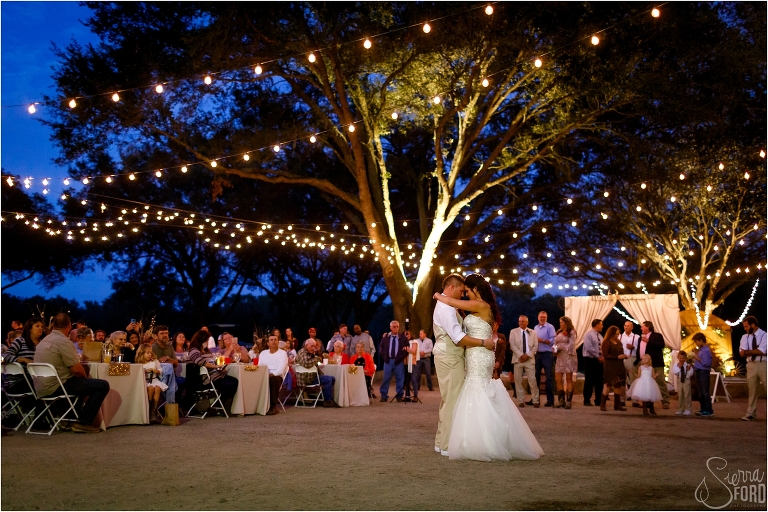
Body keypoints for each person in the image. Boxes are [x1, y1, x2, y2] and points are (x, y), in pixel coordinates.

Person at [433, 273, 544, 461]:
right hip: (476, 353)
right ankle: (456, 440)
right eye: (463, 290)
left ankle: (480, 440)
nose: (465, 294)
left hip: (480, 353)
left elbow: (453, 304)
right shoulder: (480, 307)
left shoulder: (480, 305)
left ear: (476, 289)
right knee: (466, 394)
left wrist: (437, 295)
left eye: (467, 290)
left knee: (473, 393)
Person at [432, 274, 493, 457]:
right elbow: (458, 338)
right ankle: (446, 445)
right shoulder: (447, 308)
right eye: (461, 290)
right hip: (450, 357)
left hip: (450, 357)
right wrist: (483, 343)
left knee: (448, 399)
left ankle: (440, 441)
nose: (463, 294)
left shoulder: (447, 305)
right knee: (452, 401)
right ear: (452, 288)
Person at [32, 313, 109, 433]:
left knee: (78, 384)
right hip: (56, 386)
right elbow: (76, 370)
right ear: (69, 326)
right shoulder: (63, 342)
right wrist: (85, 378)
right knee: (102, 385)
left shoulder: (44, 340)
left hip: (40, 387)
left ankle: (69, 419)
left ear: (53, 325)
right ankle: (83, 422)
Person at [186, 330, 238, 415]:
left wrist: (220, 368)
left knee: (234, 381)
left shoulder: (206, 351)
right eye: (206, 340)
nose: (207, 342)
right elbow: (201, 362)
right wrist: (216, 366)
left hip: (215, 375)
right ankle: (222, 405)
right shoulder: (194, 351)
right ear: (201, 340)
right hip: (207, 379)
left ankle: (222, 404)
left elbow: (212, 362)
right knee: (231, 383)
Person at [4, 318, 44, 395]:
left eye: (41, 326)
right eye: (37, 326)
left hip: (36, 378)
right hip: (18, 382)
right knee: (45, 386)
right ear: (29, 329)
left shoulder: (43, 343)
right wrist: (23, 359)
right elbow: (6, 356)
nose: (40, 328)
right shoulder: (20, 341)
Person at [294, 339, 339, 407]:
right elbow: (307, 364)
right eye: (311, 346)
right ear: (306, 345)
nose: (313, 348)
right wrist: (317, 358)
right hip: (306, 380)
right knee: (328, 379)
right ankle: (327, 401)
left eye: (314, 346)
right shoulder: (302, 352)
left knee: (332, 378)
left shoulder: (310, 353)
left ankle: (323, 397)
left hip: (311, 378)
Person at [739, 316, 766, 421]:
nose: (745, 329)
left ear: (753, 325)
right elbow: (742, 352)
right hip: (751, 365)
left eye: (746, 326)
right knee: (752, 390)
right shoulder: (745, 337)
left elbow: (762, 351)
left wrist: (747, 352)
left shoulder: (764, 335)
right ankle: (750, 413)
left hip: (763, 363)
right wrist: (753, 351)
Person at [509, 315, 539, 408]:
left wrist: (528, 355)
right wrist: (520, 355)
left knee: (532, 380)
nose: (521, 323)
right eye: (520, 321)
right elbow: (512, 345)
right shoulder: (513, 332)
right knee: (518, 380)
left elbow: (535, 346)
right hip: (518, 359)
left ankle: (535, 400)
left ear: (527, 322)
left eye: (523, 321)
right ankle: (521, 400)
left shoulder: (533, 332)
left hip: (529, 359)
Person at [134, 344, 167, 423]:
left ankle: (153, 412)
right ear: (142, 354)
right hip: (145, 381)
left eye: (151, 353)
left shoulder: (154, 362)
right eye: (147, 353)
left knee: (157, 388)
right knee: (151, 388)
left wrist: (156, 371)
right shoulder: (139, 364)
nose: (150, 354)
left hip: (154, 380)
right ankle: (147, 409)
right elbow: (137, 373)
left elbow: (160, 370)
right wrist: (144, 371)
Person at [641, 321, 670, 409]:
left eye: (642, 326)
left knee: (660, 381)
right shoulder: (641, 337)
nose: (641, 328)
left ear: (648, 327)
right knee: (647, 382)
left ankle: (665, 401)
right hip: (645, 364)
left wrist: (648, 341)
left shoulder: (657, 335)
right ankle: (648, 402)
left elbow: (661, 345)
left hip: (656, 362)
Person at [378, 320, 409, 402]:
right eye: (394, 327)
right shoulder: (386, 338)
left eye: (397, 327)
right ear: (390, 327)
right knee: (386, 378)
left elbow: (406, 348)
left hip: (398, 361)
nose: (396, 328)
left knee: (400, 378)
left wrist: (401, 357)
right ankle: (384, 395)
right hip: (388, 361)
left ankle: (399, 396)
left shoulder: (402, 338)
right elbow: (381, 348)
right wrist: (384, 357)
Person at [258, 334, 289, 415]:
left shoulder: (282, 354)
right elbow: (260, 367)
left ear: (278, 342)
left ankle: (273, 406)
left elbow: (280, 370)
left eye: (275, 339)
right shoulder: (263, 353)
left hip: (277, 377)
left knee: (274, 379)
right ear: (268, 343)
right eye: (271, 340)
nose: (274, 341)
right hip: (264, 376)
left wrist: (269, 375)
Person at [600, 326, 627, 411]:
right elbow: (606, 355)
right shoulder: (606, 342)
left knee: (618, 385)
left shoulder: (618, 342)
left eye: (618, 334)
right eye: (615, 334)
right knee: (608, 385)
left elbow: (621, 352)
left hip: (619, 365)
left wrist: (623, 356)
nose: (617, 336)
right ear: (611, 333)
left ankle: (617, 404)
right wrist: (617, 357)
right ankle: (603, 403)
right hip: (610, 366)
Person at [150, 325, 179, 404]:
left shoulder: (170, 347)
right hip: (158, 376)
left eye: (166, 333)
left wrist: (168, 358)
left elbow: (176, 363)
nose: (165, 335)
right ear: (156, 336)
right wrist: (164, 362)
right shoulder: (152, 348)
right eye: (162, 333)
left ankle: (170, 405)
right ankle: (170, 404)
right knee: (169, 367)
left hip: (171, 375)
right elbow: (154, 364)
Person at [533, 311, 556, 407]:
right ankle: (535, 399)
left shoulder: (550, 327)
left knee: (549, 378)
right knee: (535, 377)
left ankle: (550, 400)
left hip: (547, 354)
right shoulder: (535, 327)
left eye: (544, 317)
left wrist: (541, 340)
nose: (542, 319)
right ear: (538, 317)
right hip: (537, 354)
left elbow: (552, 341)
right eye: (541, 317)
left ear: (546, 318)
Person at [554, 317, 577, 409]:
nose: (560, 324)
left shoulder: (572, 332)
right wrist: (554, 349)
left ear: (566, 323)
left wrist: (560, 347)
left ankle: (569, 401)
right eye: (560, 322)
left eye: (562, 322)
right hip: (560, 357)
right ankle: (561, 400)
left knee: (568, 379)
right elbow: (555, 343)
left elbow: (571, 345)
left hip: (568, 357)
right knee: (558, 378)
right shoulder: (559, 332)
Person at [582, 319, 604, 407]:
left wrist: (602, 356)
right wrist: (597, 356)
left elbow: (601, 347)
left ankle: (598, 399)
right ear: (597, 325)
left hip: (599, 360)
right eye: (601, 324)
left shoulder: (600, 336)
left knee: (599, 380)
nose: (602, 326)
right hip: (590, 360)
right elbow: (588, 348)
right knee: (589, 380)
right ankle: (587, 399)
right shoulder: (588, 335)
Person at [691, 333, 714, 417]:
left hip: (703, 372)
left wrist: (696, 357)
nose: (696, 343)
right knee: (700, 392)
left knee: (705, 392)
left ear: (701, 340)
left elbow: (706, 363)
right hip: (698, 371)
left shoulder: (706, 350)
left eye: (696, 341)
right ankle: (703, 409)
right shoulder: (701, 350)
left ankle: (709, 410)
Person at [620, 321, 641, 407]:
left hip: (632, 358)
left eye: (628, 326)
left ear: (632, 327)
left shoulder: (636, 337)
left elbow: (640, 349)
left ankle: (634, 400)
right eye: (625, 325)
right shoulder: (619, 336)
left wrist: (634, 347)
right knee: (622, 380)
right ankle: (622, 400)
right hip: (622, 359)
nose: (626, 327)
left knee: (633, 380)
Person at [672, 350, 693, 416]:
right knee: (680, 395)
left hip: (686, 380)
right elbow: (675, 372)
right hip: (680, 380)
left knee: (687, 394)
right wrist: (679, 367)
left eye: (683, 358)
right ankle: (680, 409)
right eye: (680, 358)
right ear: (678, 358)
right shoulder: (676, 365)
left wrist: (688, 370)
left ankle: (688, 409)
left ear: (685, 358)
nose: (681, 359)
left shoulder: (688, 365)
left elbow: (690, 374)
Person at [403, 330, 421, 402]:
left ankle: (415, 395)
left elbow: (413, 351)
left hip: (412, 363)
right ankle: (407, 395)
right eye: (405, 334)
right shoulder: (404, 343)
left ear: (410, 334)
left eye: (408, 334)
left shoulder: (414, 342)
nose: (407, 335)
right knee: (407, 380)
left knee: (413, 379)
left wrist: (406, 348)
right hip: (405, 363)